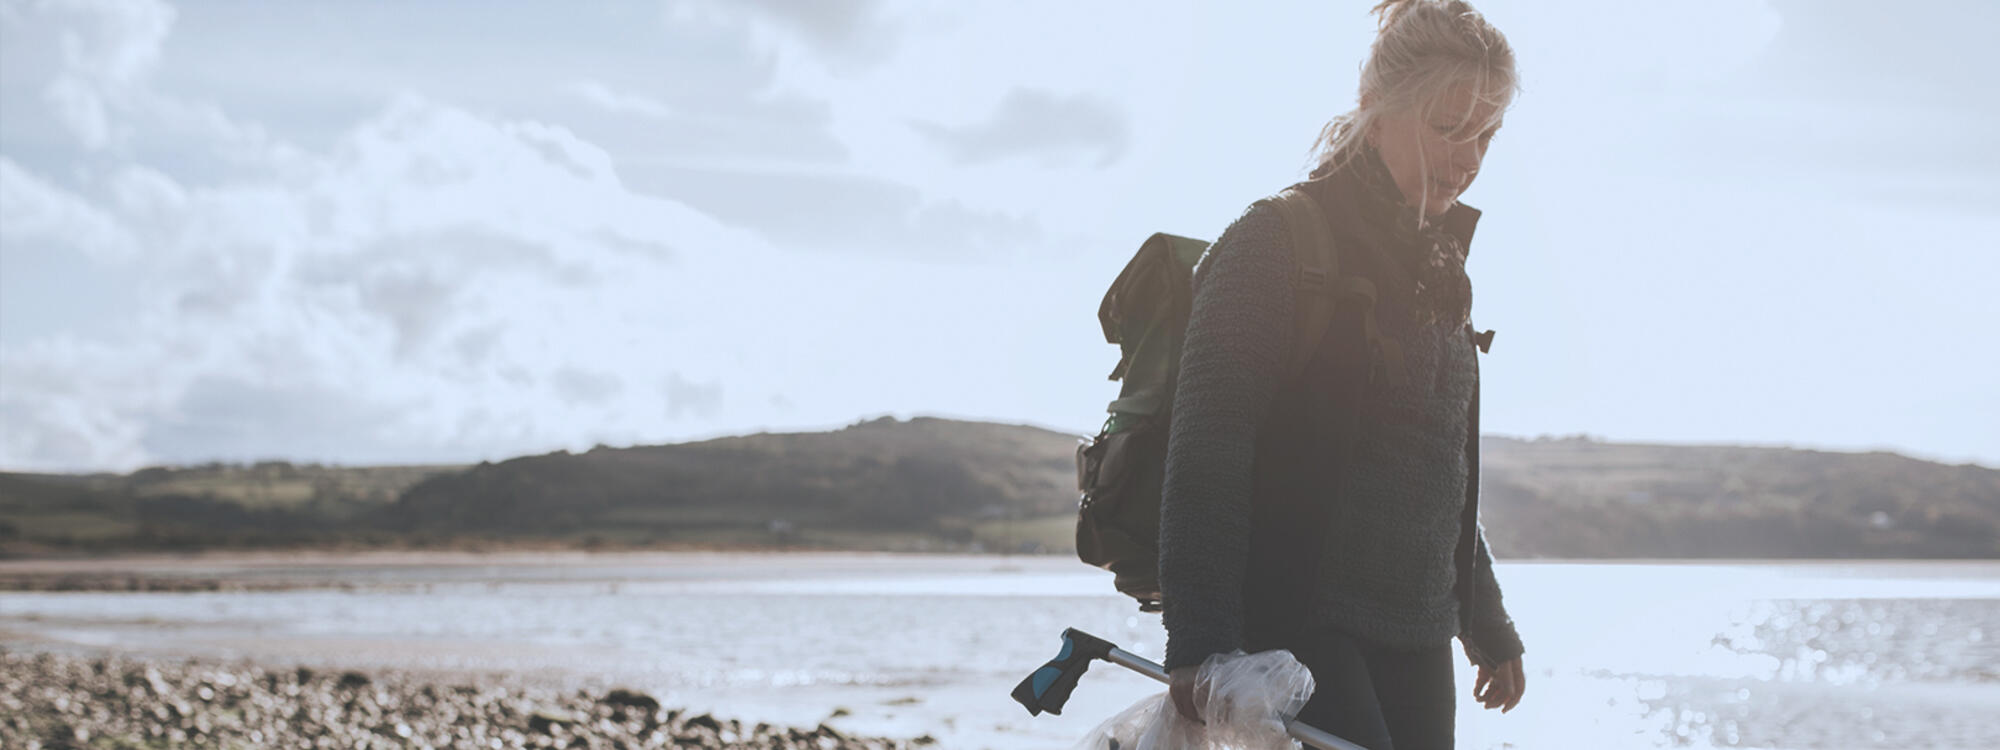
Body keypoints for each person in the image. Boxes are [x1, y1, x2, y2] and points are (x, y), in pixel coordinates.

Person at [1158, 1, 1526, 747]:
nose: (1469, 158)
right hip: (1297, 625)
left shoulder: (1442, 267)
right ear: (1376, 108)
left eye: (1486, 134)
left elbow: (1439, 465)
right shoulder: (1274, 244)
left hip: (1420, 631)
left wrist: (1488, 624)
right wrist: (1197, 644)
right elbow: (1206, 448)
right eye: (1449, 128)